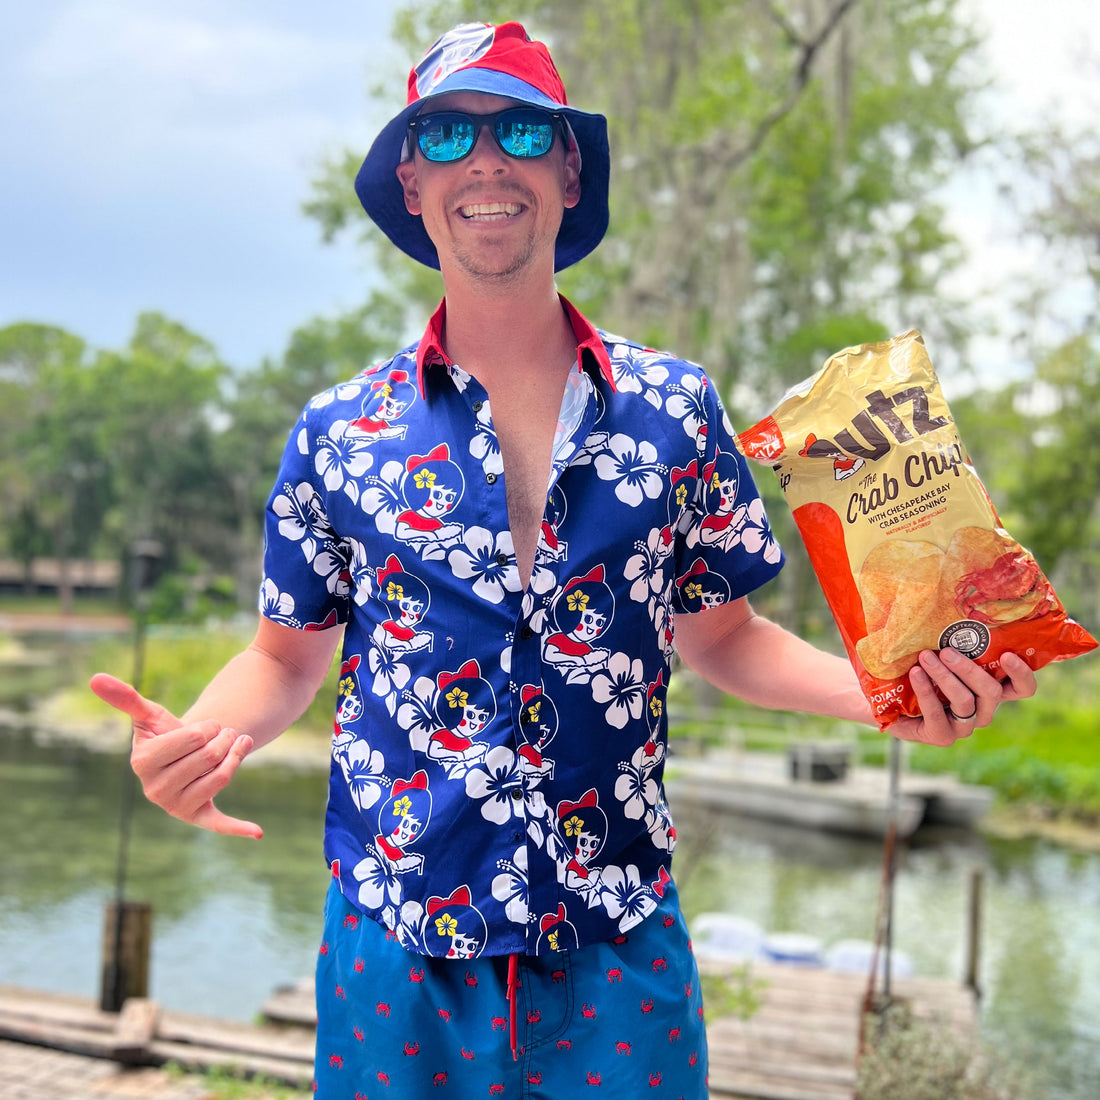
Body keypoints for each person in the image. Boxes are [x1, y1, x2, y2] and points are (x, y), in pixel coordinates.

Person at [90, 21, 1037, 1099]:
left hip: (615, 937)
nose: (485, 161)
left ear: (567, 165)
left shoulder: (675, 409)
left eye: (521, 131)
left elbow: (722, 634)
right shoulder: (336, 431)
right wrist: (202, 738)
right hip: (399, 942)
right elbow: (285, 658)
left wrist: (885, 695)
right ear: (410, 182)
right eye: (445, 135)